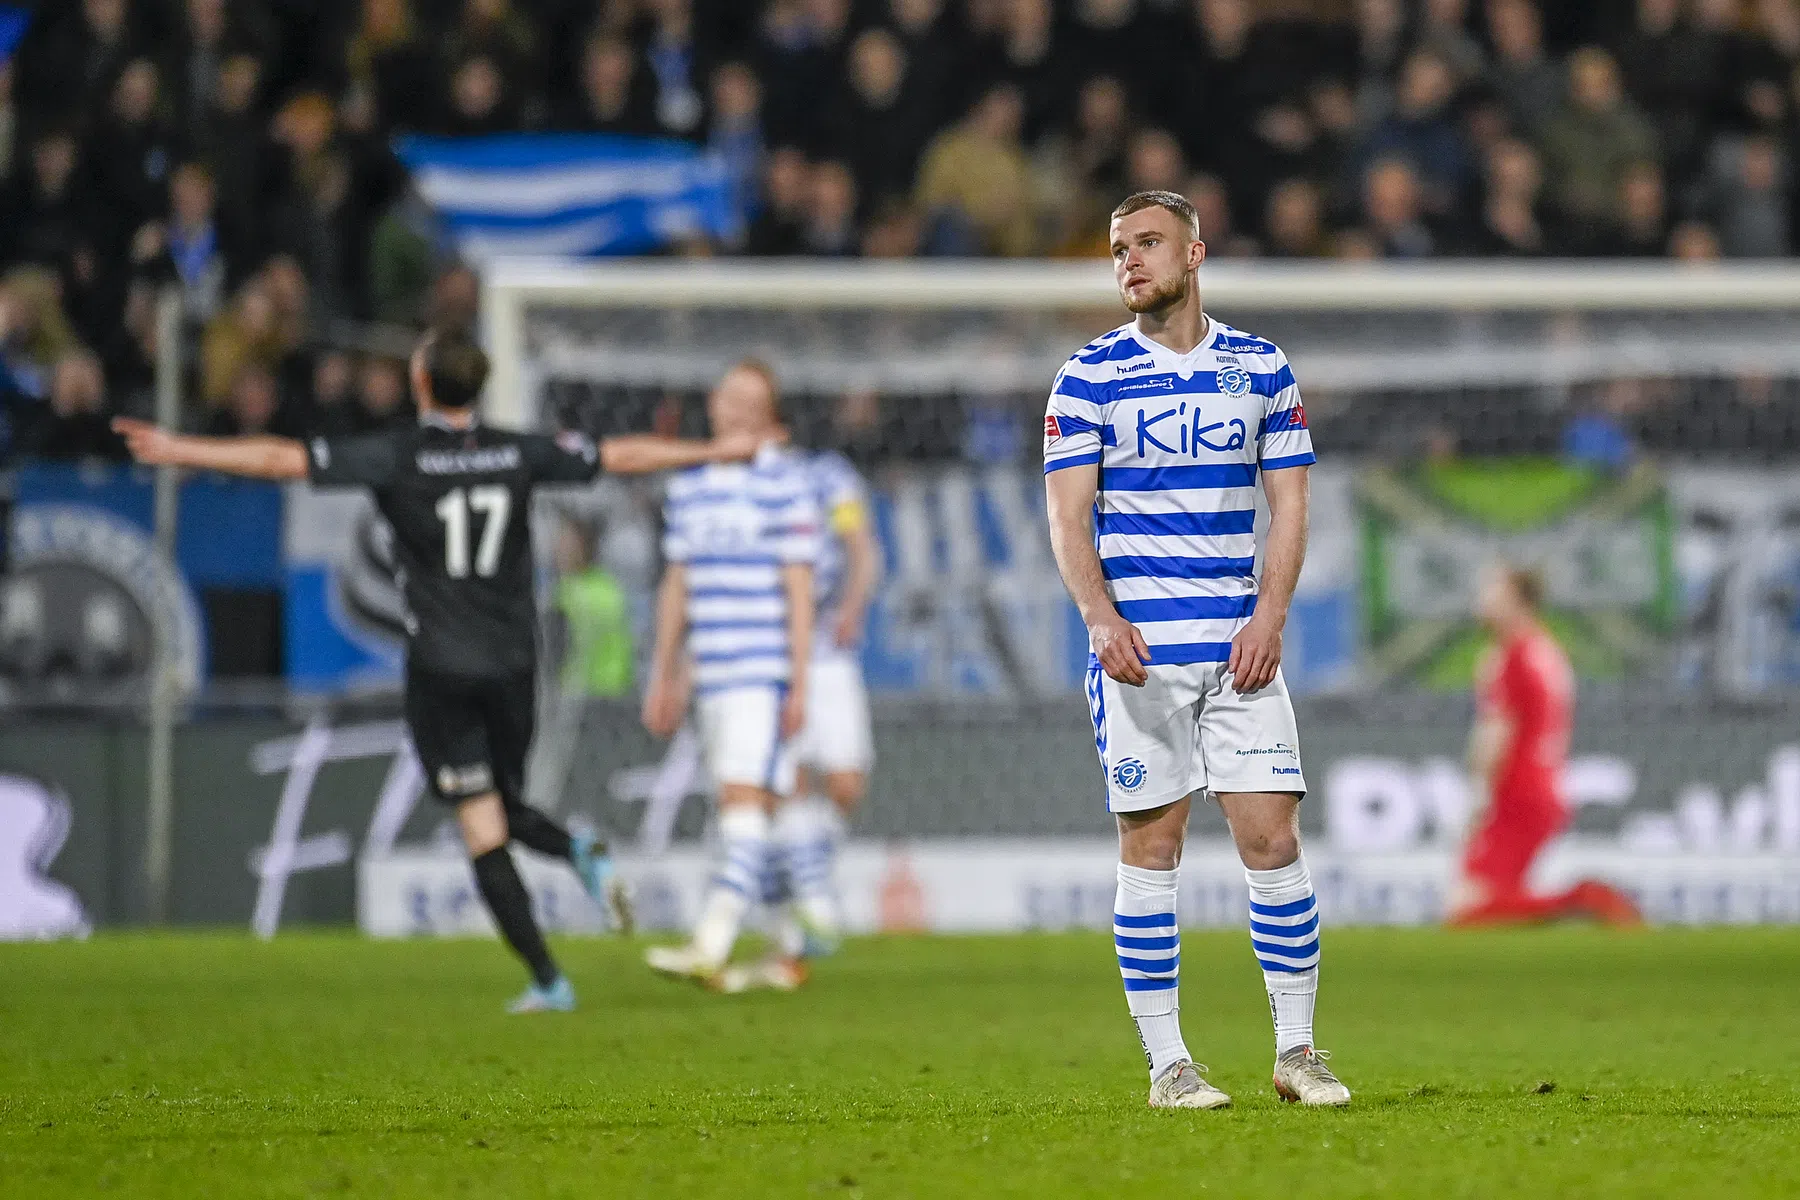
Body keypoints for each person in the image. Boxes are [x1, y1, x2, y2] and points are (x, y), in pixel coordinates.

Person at [113, 329, 769, 1013]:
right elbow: (622, 454)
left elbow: (281, 458)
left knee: (484, 823)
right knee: (502, 804)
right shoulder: (516, 449)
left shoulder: (399, 454)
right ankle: (576, 862)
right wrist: (716, 449)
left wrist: (179, 448)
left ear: (422, 382)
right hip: (517, 661)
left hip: (443, 665)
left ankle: (551, 972)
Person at [1043, 190, 1349, 1110]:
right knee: (1154, 847)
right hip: (1139, 654)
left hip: (1240, 651)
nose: (1130, 261)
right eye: (1117, 249)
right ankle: (1168, 1065)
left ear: (1196, 252)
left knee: (1273, 838)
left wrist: (1271, 615)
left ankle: (1297, 1051)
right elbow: (1067, 515)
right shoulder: (1087, 377)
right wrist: (1098, 616)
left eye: (1147, 243)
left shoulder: (1260, 369)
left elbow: (1290, 503)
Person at [640, 360, 820, 986]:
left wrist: (799, 682)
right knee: (746, 811)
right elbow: (677, 586)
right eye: (728, 392)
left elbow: (801, 589)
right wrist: (665, 672)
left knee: (742, 804)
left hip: (761, 673)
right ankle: (790, 946)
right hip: (711, 673)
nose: (737, 404)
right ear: (714, 405)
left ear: (769, 414)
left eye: (752, 396)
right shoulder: (688, 485)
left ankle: (710, 941)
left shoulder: (787, 483)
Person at [720, 442, 882, 994]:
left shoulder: (829, 472)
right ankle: (803, 917)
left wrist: (854, 606)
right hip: (769, 651)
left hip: (827, 652)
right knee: (780, 784)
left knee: (844, 781)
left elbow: (861, 547)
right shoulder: (737, 483)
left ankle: (805, 888)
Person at [1450, 565, 1642, 928]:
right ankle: (1578, 904)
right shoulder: (1546, 650)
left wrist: (1477, 794)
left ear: (1518, 601)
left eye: (1492, 592)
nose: (1482, 601)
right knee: (1486, 901)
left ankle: (1583, 899)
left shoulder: (1511, 656)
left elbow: (1497, 733)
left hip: (1516, 791)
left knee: (1467, 906)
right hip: (1545, 786)